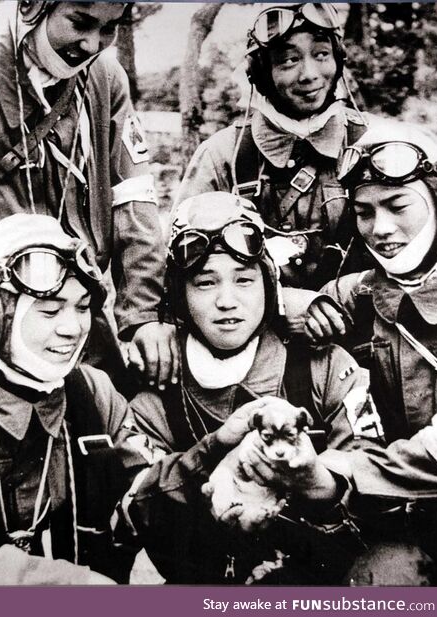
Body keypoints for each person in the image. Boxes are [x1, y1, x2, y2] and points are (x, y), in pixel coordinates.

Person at [125, 191, 383, 585]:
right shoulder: (157, 389)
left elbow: (376, 479)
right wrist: (209, 456)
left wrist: (318, 481)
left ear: (269, 286)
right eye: (205, 282)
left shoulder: (326, 367)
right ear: (178, 296)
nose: (227, 301)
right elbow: (134, 507)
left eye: (244, 280)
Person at [0, 1, 176, 394]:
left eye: (110, 27)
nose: (93, 43)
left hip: (80, 325)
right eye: (80, 22)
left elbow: (134, 201)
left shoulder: (106, 78)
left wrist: (143, 315)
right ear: (32, 5)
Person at [0, 213, 165, 585]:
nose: (72, 328)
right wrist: (68, 586)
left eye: (83, 307)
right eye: (50, 310)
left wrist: (214, 475)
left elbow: (149, 495)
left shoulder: (94, 393)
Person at [299, 123, 437, 583]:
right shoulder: (356, 295)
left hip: (371, 478)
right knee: (379, 579)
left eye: (398, 205)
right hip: (404, 527)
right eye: (364, 212)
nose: (381, 229)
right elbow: (245, 315)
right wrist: (294, 303)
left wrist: (342, 470)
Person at [176, 3, 374, 292]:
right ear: (261, 73)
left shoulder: (374, 141)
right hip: (253, 331)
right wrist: (277, 308)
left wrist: (352, 289)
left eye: (321, 54)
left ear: (339, 59)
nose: (309, 74)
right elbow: (185, 268)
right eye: (289, 60)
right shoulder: (222, 156)